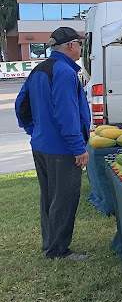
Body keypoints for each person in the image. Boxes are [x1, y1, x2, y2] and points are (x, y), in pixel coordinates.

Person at [15, 27, 91, 261]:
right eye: (79, 44)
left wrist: (34, 131)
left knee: (49, 196)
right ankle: (58, 251)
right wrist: (78, 147)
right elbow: (67, 114)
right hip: (62, 149)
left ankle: (50, 241)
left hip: (41, 145)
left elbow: (21, 105)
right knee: (64, 198)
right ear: (70, 46)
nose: (81, 48)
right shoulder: (65, 72)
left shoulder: (39, 69)